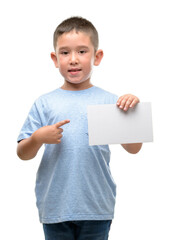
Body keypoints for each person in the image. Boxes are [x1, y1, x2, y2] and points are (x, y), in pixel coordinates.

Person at [17, 16, 142, 240]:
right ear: (55, 59)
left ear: (97, 56)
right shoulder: (44, 103)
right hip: (55, 207)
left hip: (96, 205)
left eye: (82, 51)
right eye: (65, 53)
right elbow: (22, 153)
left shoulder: (111, 102)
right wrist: (37, 138)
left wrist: (131, 109)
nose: (73, 59)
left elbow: (134, 148)